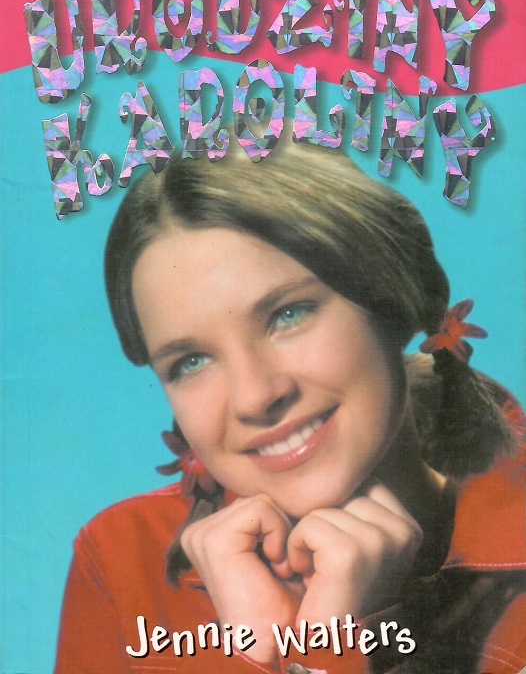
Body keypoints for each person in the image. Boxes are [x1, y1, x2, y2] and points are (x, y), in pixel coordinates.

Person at [54, 144, 526, 674]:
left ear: (392, 302)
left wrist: (341, 638)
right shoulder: (121, 559)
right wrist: (255, 650)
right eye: (191, 361)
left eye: (288, 314)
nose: (255, 396)